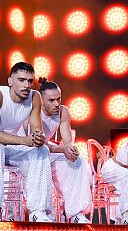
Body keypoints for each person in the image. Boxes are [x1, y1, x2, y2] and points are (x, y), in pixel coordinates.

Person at [0, 62, 54, 222]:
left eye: (30, 81)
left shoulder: (35, 97)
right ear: (10, 81)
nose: (26, 85)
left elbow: (36, 129)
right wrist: (25, 141)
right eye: (21, 80)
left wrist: (38, 138)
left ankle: (38, 211)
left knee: (41, 151)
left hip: (9, 147)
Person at [31, 79, 93, 223]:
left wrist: (70, 148)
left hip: (47, 150)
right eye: (51, 100)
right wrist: (62, 149)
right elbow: (38, 140)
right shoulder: (34, 110)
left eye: (58, 99)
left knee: (78, 161)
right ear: (41, 100)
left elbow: (66, 137)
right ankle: (41, 211)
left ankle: (75, 213)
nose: (56, 104)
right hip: (31, 149)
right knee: (41, 154)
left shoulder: (63, 111)